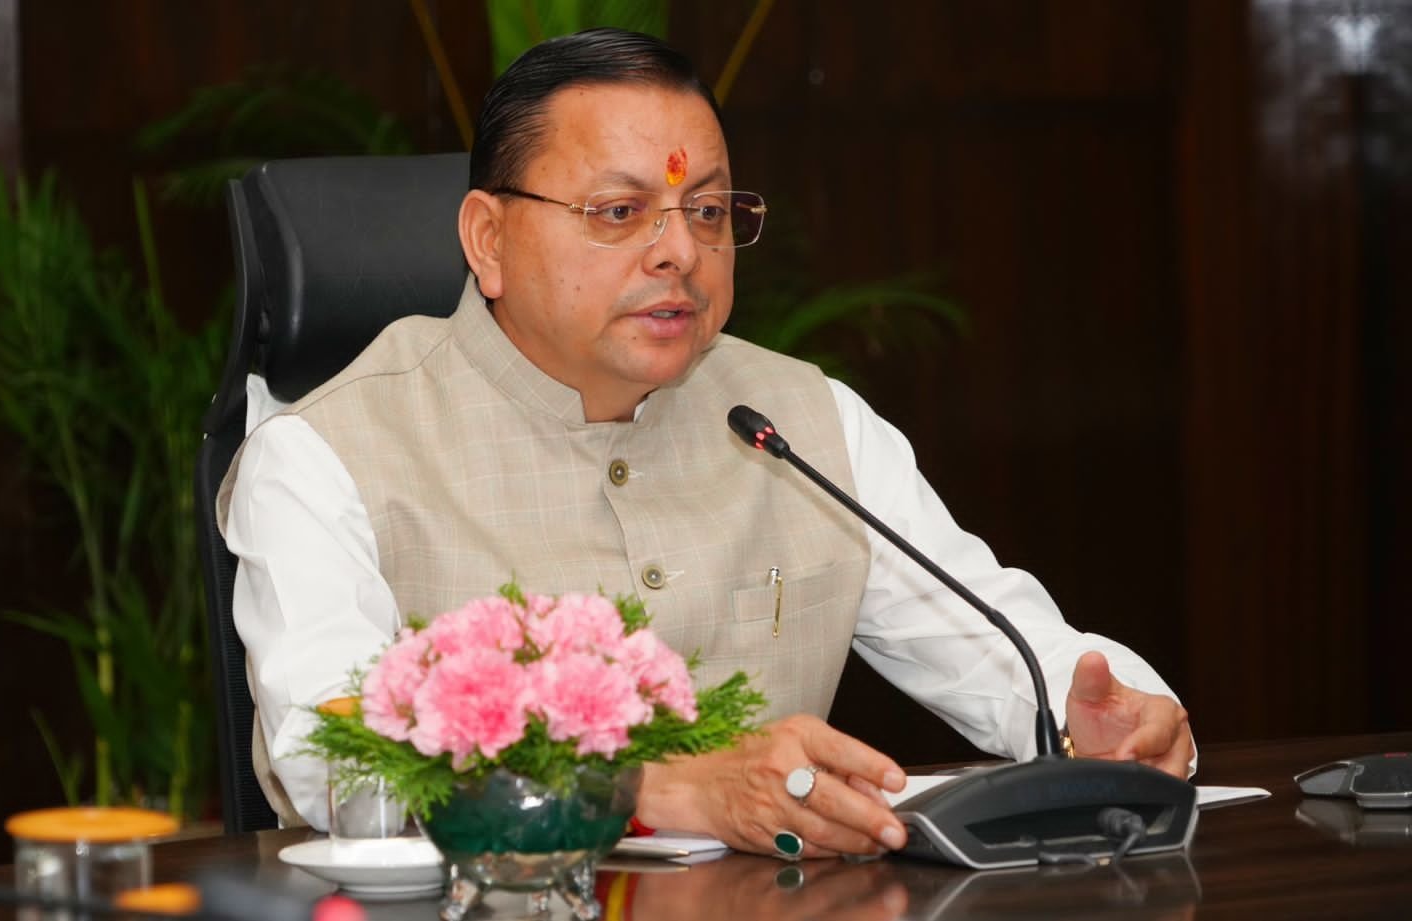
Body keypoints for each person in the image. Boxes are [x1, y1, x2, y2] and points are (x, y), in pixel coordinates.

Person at [218, 27, 1194, 859]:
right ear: (488, 240)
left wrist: (1096, 716)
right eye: (620, 212)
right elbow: (329, 763)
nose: (680, 250)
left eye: (708, 210)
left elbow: (1003, 647)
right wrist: (651, 787)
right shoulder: (325, 455)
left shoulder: (804, 423)